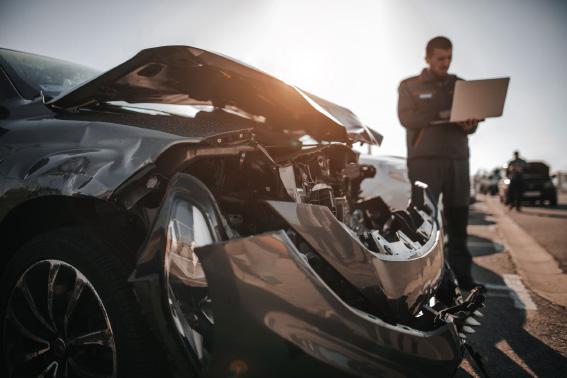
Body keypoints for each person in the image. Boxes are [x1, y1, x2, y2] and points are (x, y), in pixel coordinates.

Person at [397, 36, 483, 291]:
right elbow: (407, 118)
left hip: (458, 159)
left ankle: (461, 279)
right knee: (424, 222)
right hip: (425, 161)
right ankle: (422, 283)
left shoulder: (461, 85)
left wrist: (471, 122)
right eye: (440, 59)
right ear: (428, 58)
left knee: (458, 222)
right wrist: (443, 114)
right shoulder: (409, 86)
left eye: (449, 58)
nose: (445, 63)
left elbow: (471, 127)